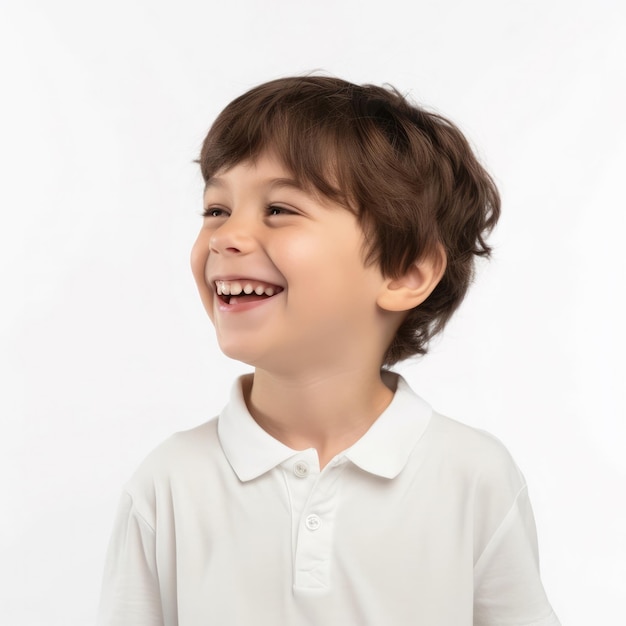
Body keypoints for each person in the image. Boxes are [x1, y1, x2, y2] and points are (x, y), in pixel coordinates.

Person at [97, 76, 560, 625]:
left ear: (405, 271)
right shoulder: (169, 483)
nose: (225, 236)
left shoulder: (472, 477)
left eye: (279, 210)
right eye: (216, 210)